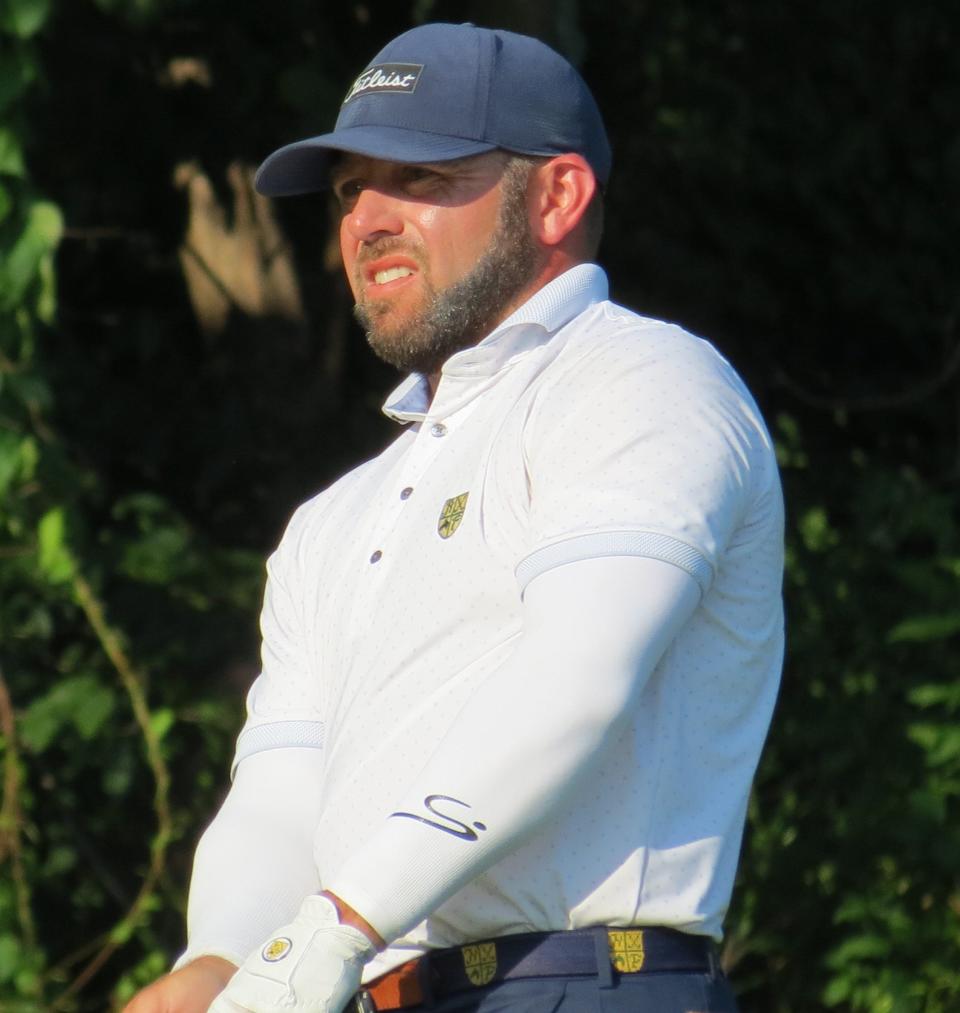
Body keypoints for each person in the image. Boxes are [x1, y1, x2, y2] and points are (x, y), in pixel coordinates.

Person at [125, 21, 784, 1013]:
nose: (368, 218)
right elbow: (283, 784)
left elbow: (573, 681)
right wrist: (220, 957)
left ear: (557, 194)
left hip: (584, 987)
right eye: (350, 190)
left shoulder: (643, 378)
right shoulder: (330, 519)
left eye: (422, 178)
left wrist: (338, 920)